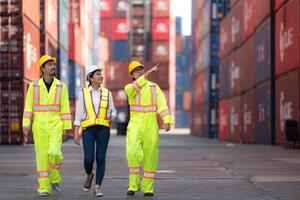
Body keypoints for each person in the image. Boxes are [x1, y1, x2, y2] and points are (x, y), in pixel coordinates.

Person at [22, 55, 72, 196]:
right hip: (39, 127)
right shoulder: (34, 86)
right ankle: (44, 187)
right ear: (43, 69)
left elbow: (65, 108)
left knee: (55, 153)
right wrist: (26, 124)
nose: (53, 66)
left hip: (56, 124)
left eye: (53, 64)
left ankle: (55, 177)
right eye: (49, 64)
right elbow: (28, 107)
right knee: (42, 158)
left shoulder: (61, 86)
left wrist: (66, 128)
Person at [124, 61, 173, 196]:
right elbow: (136, 86)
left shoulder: (154, 87)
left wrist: (167, 120)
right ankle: (133, 185)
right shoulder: (129, 88)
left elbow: (162, 105)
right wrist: (150, 72)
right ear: (132, 75)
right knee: (132, 153)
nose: (139, 71)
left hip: (151, 125)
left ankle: (147, 188)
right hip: (135, 125)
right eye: (136, 70)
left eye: (141, 69)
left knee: (150, 156)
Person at [73, 65, 117, 197]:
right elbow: (79, 114)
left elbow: (113, 111)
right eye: (97, 74)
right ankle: (89, 174)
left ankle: (98, 187)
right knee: (88, 158)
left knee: (100, 157)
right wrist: (76, 134)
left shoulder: (107, 93)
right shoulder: (83, 93)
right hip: (88, 130)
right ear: (91, 78)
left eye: (101, 74)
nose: (101, 76)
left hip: (103, 129)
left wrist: (112, 117)